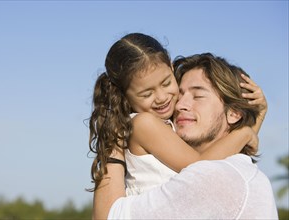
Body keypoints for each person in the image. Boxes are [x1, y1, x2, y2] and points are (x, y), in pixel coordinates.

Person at [88, 33, 268, 219]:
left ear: (171, 68)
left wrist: (257, 116)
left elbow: (227, 156)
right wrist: (246, 133)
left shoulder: (167, 122)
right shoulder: (144, 123)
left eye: (166, 83)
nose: (161, 97)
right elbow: (202, 168)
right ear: (125, 96)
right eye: (146, 94)